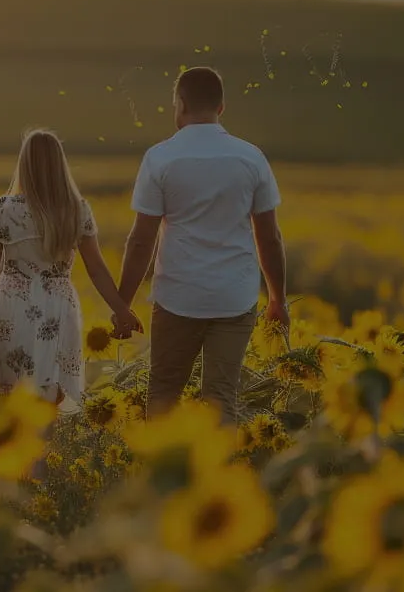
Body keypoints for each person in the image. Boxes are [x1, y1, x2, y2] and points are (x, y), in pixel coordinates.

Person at [114, 67, 289, 425]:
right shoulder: (251, 157)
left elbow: (141, 240)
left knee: (164, 392)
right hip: (234, 297)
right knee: (221, 397)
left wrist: (122, 304)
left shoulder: (160, 158)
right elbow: (269, 236)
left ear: (178, 105)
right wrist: (278, 298)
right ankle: (218, 477)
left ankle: (159, 475)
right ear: (222, 107)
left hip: (179, 295)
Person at [0, 129, 141, 416]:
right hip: (58, 306)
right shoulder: (77, 209)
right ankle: (43, 459)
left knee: (8, 395)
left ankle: (10, 458)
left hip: (11, 305)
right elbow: (96, 268)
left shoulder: (4, 209)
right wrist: (121, 310)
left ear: (23, 165)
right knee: (52, 396)